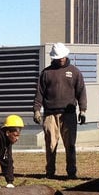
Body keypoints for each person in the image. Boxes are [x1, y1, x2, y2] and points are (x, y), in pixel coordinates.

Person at [32, 42, 87, 179]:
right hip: (50, 114)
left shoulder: (75, 72)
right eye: (58, 57)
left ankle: (71, 172)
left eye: (63, 57)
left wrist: (83, 110)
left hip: (68, 114)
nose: (61, 59)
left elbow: (81, 91)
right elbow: (39, 93)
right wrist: (36, 110)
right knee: (50, 144)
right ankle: (50, 172)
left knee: (70, 145)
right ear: (53, 58)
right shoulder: (46, 73)